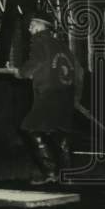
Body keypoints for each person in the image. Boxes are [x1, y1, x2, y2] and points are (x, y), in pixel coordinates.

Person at [12, 10, 77, 185]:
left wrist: (21, 72)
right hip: (66, 92)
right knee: (61, 133)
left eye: (33, 24)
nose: (30, 27)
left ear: (42, 26)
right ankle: (68, 176)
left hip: (48, 93)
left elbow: (36, 62)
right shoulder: (61, 44)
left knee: (30, 128)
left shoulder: (39, 41)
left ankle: (50, 173)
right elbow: (74, 69)